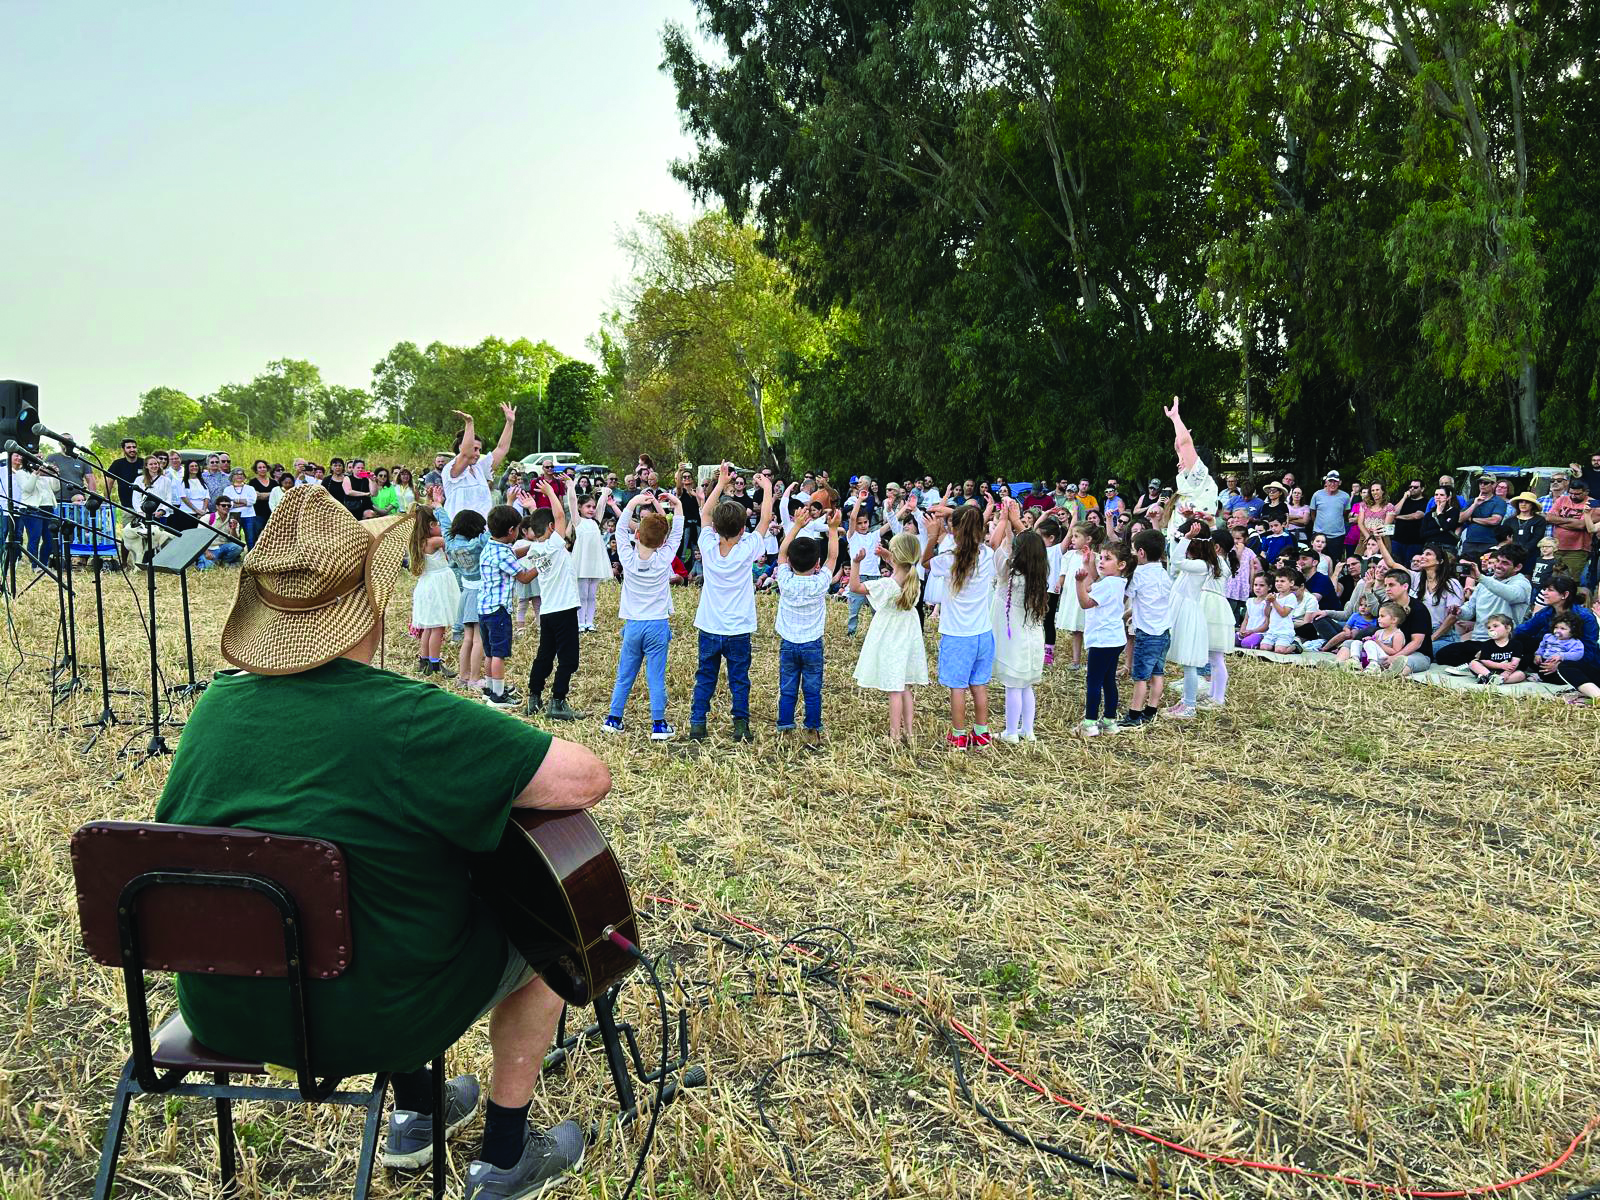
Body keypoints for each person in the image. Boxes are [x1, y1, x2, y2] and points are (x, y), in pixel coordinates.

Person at [155, 485, 604, 1194]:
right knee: (551, 934)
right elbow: (585, 779)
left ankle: (418, 1117)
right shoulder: (407, 719)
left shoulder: (214, 708)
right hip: (368, 1017)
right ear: (375, 601)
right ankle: (508, 1156)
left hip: (221, 1005)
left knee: (380, 896)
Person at [690, 466, 774, 742]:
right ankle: (741, 726)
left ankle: (697, 724)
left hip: (709, 626)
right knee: (739, 679)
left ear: (716, 527)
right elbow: (765, 519)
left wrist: (720, 482)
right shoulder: (748, 547)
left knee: (705, 677)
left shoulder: (708, 545)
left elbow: (704, 514)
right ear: (742, 527)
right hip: (738, 629)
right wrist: (768, 487)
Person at [602, 491, 685, 738]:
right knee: (655, 676)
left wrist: (634, 502)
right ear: (662, 542)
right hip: (657, 625)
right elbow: (677, 533)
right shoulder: (664, 557)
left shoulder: (626, 557)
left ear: (636, 535)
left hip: (633, 625)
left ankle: (613, 718)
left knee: (624, 674)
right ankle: (659, 724)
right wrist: (676, 505)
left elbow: (619, 529)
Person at [924, 501, 1001, 749]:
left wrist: (933, 536)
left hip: (958, 635)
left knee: (957, 688)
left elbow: (926, 563)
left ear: (954, 530)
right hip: (983, 633)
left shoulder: (949, 559)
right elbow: (973, 522)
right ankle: (982, 732)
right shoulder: (987, 554)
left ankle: (959, 734)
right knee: (979, 685)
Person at [773, 501, 840, 749]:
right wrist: (832, 529)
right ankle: (812, 728)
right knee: (813, 689)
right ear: (817, 564)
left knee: (787, 687)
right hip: (812, 643)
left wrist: (796, 525)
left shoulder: (785, 580)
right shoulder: (821, 582)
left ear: (790, 562)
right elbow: (834, 556)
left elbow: (780, 553)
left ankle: (785, 726)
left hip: (788, 643)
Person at [850, 533, 928, 745]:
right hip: (908, 635)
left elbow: (855, 587)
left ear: (896, 557)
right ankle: (910, 734)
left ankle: (894, 736)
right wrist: (888, 555)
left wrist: (855, 563)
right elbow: (901, 564)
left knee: (894, 689)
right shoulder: (914, 579)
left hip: (892, 637)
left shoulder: (886, 584)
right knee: (905, 687)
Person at [520, 479, 584, 721]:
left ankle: (534, 697)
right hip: (565, 610)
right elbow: (558, 515)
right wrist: (549, 492)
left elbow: (542, 525)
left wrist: (532, 508)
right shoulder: (556, 545)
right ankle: (557, 701)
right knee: (569, 659)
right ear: (550, 528)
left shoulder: (536, 549)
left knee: (544, 655)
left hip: (547, 612)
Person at [991, 523, 1049, 743]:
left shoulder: (1010, 575)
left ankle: (1011, 732)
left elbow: (999, 550)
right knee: (1026, 685)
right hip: (1032, 637)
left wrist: (1006, 524)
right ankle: (1028, 729)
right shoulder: (1038, 575)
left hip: (1014, 636)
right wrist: (1010, 527)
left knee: (1013, 686)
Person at [478, 505, 538, 708]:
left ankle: (489, 688)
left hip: (484, 608)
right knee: (499, 654)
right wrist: (543, 563)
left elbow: (513, 553)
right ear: (512, 530)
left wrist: (531, 547)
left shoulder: (492, 545)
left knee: (489, 652)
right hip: (499, 611)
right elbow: (524, 577)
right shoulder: (504, 555)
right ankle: (499, 695)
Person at [1432, 546, 1531, 666]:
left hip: (1503, 643)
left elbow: (1510, 594)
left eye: (1505, 563)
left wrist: (1481, 578)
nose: (1498, 565)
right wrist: (1459, 611)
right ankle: (1478, 663)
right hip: (1478, 641)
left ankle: (1480, 664)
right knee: (1443, 655)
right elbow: (1470, 610)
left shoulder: (1522, 583)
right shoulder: (1484, 583)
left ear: (1518, 567)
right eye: (1498, 561)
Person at [1513, 576, 1600, 704]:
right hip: (1550, 653)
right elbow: (1523, 631)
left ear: (1564, 595)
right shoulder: (1548, 612)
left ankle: (1594, 694)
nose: (1545, 593)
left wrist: (1560, 662)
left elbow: (1589, 651)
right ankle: (1500, 668)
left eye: (1550, 590)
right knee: (1520, 641)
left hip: (1577, 660)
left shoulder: (1585, 617)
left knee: (1566, 667)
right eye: (1545, 589)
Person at [1120, 528, 1174, 728]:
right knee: (1158, 673)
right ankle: (1151, 710)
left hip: (1147, 633)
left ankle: (1134, 714)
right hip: (1163, 632)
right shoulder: (1163, 573)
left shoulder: (1139, 574)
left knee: (1140, 677)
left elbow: (1128, 594)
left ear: (1141, 553)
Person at [1075, 542, 1131, 736]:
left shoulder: (1107, 584)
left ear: (1121, 564)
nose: (1101, 561)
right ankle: (1109, 721)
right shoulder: (1117, 582)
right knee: (1108, 681)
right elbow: (1096, 580)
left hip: (1102, 640)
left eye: (1108, 559)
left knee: (1094, 681)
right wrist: (1088, 563)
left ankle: (1089, 723)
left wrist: (1078, 583)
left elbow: (1085, 602)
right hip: (1115, 638)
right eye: (1101, 557)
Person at [409, 506, 460, 677]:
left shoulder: (420, 541)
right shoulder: (433, 541)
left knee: (429, 628)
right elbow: (450, 536)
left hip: (428, 586)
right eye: (438, 523)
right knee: (438, 627)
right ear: (431, 524)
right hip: (435, 588)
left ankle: (425, 661)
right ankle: (435, 664)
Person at [445, 405, 517, 520]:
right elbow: (466, 455)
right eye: (475, 449)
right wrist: (469, 423)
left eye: (480, 450)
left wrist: (509, 423)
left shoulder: (479, 468)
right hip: (459, 532)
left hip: (482, 530)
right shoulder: (451, 468)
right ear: (460, 447)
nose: (478, 453)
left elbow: (502, 449)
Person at [445, 508, 490, 692]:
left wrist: (440, 508)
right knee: (479, 640)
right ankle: (474, 678)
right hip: (478, 593)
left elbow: (445, 527)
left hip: (465, 595)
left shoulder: (451, 545)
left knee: (467, 639)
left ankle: (463, 677)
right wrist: (509, 502)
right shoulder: (476, 545)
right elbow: (491, 534)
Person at [570, 489, 610, 633]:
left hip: (595, 562)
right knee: (582, 594)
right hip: (582, 562)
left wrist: (605, 493)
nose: (592, 509)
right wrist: (570, 485)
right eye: (588, 506)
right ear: (580, 508)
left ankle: (589, 622)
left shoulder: (596, 522)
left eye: (593, 507)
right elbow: (572, 501)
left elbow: (601, 506)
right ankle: (580, 622)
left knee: (592, 594)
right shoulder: (578, 522)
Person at [1546, 478, 1593, 581]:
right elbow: (1549, 518)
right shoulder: (1562, 499)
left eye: (1577, 494)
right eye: (1571, 493)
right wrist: (1571, 522)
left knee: (1571, 581)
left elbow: (1581, 525)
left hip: (1577, 550)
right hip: (1556, 547)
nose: (1572, 496)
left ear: (1586, 492)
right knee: (1551, 579)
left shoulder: (1592, 504)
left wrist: (1558, 521)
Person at [1337, 602, 1407, 671]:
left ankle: (1373, 665)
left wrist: (1378, 643)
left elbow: (1395, 652)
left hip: (1384, 660)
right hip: (1371, 656)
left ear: (1394, 620)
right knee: (1356, 642)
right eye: (1379, 616)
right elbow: (1372, 644)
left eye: (1382, 616)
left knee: (1370, 643)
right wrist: (1368, 640)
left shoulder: (1397, 635)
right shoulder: (1379, 632)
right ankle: (1355, 661)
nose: (1378, 619)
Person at [1462, 614, 1528, 684]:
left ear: (1508, 628)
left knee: (1521, 675)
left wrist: (1507, 673)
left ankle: (1495, 680)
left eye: (1495, 626)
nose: (1491, 629)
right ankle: (1490, 677)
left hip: (1507, 672)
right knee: (1473, 663)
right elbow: (1484, 660)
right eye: (1489, 628)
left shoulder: (1516, 644)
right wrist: (1501, 665)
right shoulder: (1487, 644)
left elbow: (1515, 661)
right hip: (1488, 670)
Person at [1458, 475, 1508, 562]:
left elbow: (1495, 520)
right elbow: (1460, 519)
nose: (1482, 485)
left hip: (1489, 542)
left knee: (1486, 569)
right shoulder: (1472, 501)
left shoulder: (1499, 502)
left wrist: (1473, 519)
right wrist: (1475, 505)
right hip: (1470, 541)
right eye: (1480, 482)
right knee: (1465, 568)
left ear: (1493, 485)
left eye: (1486, 483)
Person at [1309, 471, 1351, 546]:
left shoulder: (1345, 496)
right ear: (1326, 482)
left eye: (1335, 481)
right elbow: (1312, 512)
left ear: (1340, 483)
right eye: (1330, 481)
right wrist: (1318, 526)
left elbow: (1346, 513)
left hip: (1337, 536)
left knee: (1335, 557)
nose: (1332, 484)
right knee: (1317, 557)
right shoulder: (1317, 495)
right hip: (1319, 535)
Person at [1237, 572, 1272, 649]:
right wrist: (1242, 630)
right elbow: (1246, 619)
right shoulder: (1250, 601)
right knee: (1233, 640)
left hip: (1259, 633)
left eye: (1261, 585)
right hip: (1248, 632)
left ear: (1269, 587)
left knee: (1246, 644)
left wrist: (1252, 631)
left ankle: (1259, 643)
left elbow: (1267, 624)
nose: (1257, 588)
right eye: (1255, 585)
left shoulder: (1268, 603)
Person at [107, 438, 141, 508]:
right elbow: (109, 483)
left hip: (144, 506)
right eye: (128, 447)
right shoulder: (117, 464)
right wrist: (106, 500)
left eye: (134, 447)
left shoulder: (144, 463)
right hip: (126, 506)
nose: (132, 449)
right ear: (123, 449)